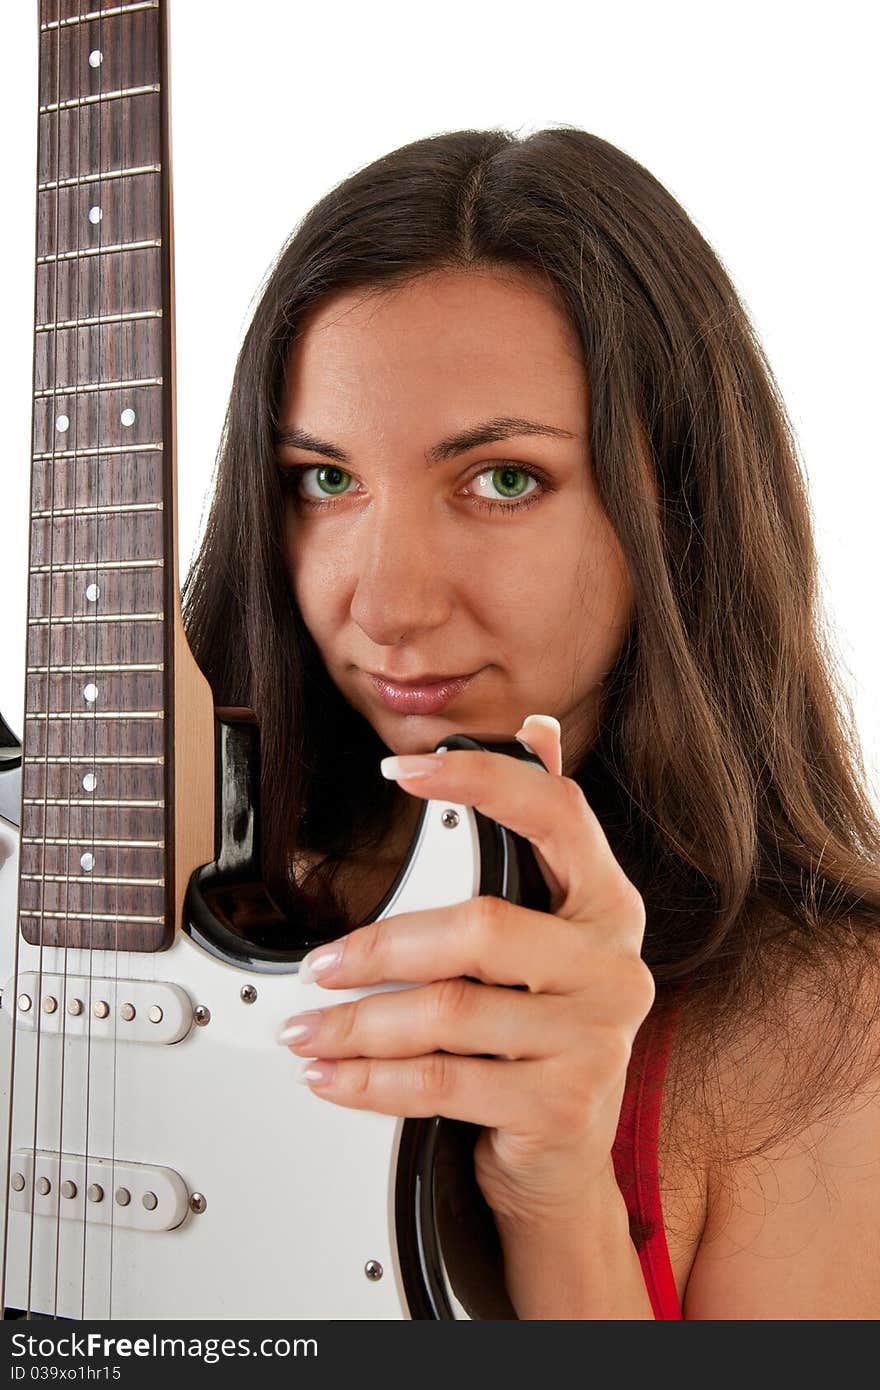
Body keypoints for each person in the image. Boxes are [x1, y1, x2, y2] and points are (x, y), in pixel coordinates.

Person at [182, 126, 880, 1318]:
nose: (390, 604)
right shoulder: (128, 921)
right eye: (323, 479)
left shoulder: (827, 1031)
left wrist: (556, 1194)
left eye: (501, 478)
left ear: (679, 506)